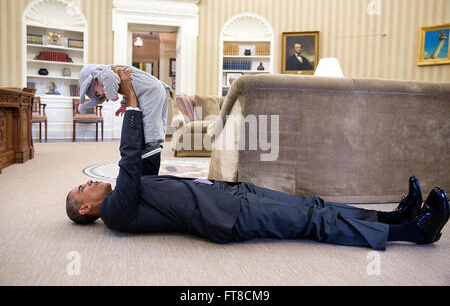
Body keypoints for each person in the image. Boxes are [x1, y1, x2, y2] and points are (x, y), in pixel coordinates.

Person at [66, 67, 449, 251]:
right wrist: (130, 97)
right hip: (229, 217)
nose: (86, 184)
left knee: (312, 204)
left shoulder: (128, 194)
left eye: (80, 183)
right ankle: (412, 233)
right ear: (86, 212)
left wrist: (136, 106)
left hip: (230, 195)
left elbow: (146, 150)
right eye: (81, 191)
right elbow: (130, 159)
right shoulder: (116, 212)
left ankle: (394, 217)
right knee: (310, 221)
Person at [77, 64, 172, 171]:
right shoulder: (117, 75)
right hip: (154, 88)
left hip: (150, 91)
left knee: (150, 118)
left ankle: (153, 144)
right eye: (99, 95)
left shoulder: (106, 73)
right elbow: (131, 87)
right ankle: (157, 142)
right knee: (158, 117)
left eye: (97, 92)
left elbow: (112, 80)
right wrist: (123, 105)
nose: (101, 93)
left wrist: (112, 96)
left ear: (94, 80)